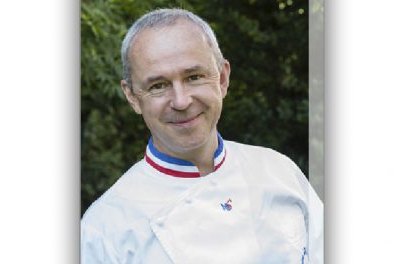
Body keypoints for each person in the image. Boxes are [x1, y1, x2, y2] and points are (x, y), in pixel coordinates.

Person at [81, 8, 323, 264]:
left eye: (194, 77)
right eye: (158, 86)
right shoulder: (103, 230)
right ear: (132, 97)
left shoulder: (279, 171)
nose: (181, 101)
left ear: (222, 79)